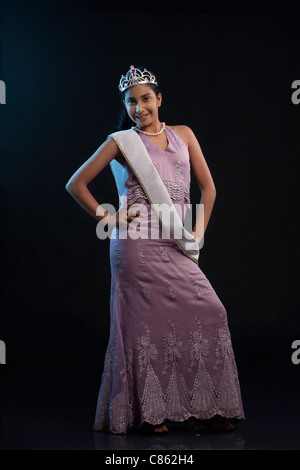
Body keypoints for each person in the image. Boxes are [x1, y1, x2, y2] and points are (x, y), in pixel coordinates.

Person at [65, 65, 245, 435]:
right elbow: (76, 183)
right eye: (131, 102)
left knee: (210, 311)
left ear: (159, 99)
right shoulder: (120, 141)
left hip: (176, 240)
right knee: (144, 327)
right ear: (126, 106)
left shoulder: (184, 135)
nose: (139, 107)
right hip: (137, 245)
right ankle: (150, 412)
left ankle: (207, 406)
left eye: (146, 99)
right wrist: (109, 217)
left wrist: (197, 231)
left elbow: (208, 189)